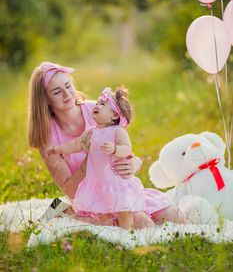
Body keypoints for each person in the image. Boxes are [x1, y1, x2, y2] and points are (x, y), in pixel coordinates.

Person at [27, 62, 188, 226]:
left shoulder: (96, 110)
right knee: (141, 221)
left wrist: (135, 162)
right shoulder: (47, 138)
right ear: (44, 99)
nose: (66, 94)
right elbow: (70, 190)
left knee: (174, 215)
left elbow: (124, 146)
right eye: (56, 92)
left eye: (68, 86)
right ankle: (67, 213)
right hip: (90, 199)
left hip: (117, 188)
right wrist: (89, 159)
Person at [47, 87, 156, 229]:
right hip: (99, 182)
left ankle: (126, 233)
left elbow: (127, 149)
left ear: (115, 116)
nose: (97, 106)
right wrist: (58, 149)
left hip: (116, 182)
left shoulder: (118, 131)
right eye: (97, 103)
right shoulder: (91, 132)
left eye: (102, 104)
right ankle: (73, 216)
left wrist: (116, 149)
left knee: (124, 209)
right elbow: (76, 145)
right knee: (99, 210)